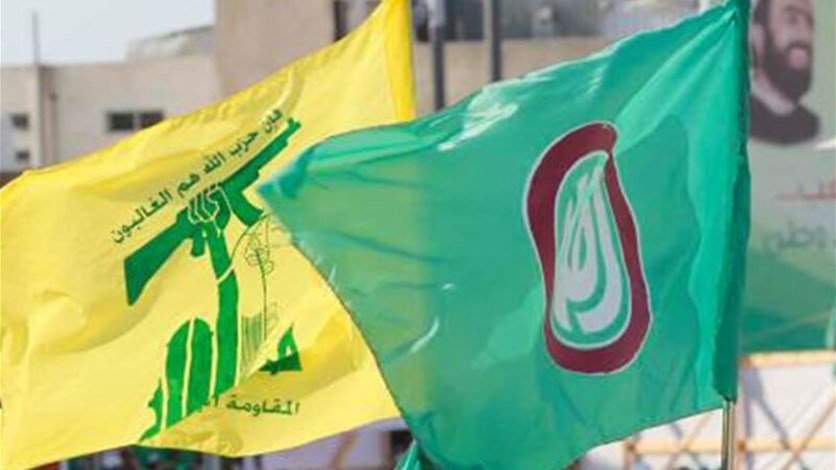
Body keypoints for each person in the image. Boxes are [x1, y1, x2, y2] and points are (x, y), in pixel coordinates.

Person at [749, 0, 819, 145]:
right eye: (792, 20)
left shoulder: (811, 126)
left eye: (809, 23)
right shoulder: (732, 116)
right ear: (758, 35)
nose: (805, 34)